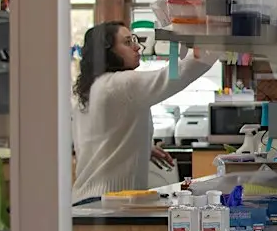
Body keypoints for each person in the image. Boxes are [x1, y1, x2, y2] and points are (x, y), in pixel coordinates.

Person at [71, 21, 218, 203]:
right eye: (127, 42)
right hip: (108, 202)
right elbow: (175, 75)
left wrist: (142, 147)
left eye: (134, 40)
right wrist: (216, 40)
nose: (137, 47)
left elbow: (99, 138)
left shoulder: (91, 88)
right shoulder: (120, 84)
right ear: (108, 52)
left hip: (86, 201)